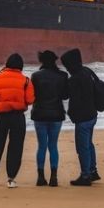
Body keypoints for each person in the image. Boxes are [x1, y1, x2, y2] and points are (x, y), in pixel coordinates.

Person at [0, 53, 35, 188]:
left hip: (1, 117)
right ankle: (11, 179)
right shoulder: (26, 80)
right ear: (21, 66)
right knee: (15, 147)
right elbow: (30, 100)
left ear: (7, 64)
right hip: (18, 117)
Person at [60, 48, 101, 186]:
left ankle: (85, 176)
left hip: (83, 118)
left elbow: (67, 96)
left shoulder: (75, 78)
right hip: (92, 115)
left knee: (82, 147)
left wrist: (71, 114)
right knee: (89, 144)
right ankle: (93, 171)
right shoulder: (87, 71)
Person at [31, 50, 69, 187]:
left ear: (42, 61)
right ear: (54, 60)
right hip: (56, 115)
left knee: (41, 146)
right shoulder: (63, 76)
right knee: (53, 146)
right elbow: (65, 96)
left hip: (39, 115)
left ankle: (40, 178)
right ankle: (54, 178)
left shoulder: (35, 76)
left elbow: (32, 96)